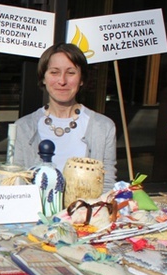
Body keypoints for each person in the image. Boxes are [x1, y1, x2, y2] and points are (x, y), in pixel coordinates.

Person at [14, 43, 117, 190]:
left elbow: (107, 184)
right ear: (43, 78)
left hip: (84, 211)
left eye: (71, 72)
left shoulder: (103, 127)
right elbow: (17, 182)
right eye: (54, 72)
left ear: (81, 79)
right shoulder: (23, 127)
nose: (62, 81)